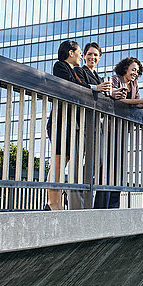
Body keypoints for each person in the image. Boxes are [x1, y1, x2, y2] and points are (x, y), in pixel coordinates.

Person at [44, 40, 99, 210]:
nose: (81, 55)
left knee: (63, 161)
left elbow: (80, 86)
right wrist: (95, 87)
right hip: (59, 122)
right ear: (70, 52)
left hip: (67, 122)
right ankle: (53, 203)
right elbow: (75, 86)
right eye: (80, 52)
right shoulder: (60, 66)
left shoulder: (71, 70)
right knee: (59, 162)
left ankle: (54, 202)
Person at [96, 57, 143, 209]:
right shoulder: (115, 80)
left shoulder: (134, 84)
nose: (135, 73)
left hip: (123, 130)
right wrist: (140, 101)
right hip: (110, 128)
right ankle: (101, 206)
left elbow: (135, 106)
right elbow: (119, 101)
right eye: (133, 69)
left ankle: (113, 206)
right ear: (125, 68)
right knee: (108, 168)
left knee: (119, 169)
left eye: (137, 71)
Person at [73, 42, 115, 209]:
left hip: (97, 124)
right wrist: (96, 88)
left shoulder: (98, 77)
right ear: (84, 55)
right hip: (82, 122)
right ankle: (76, 200)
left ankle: (83, 190)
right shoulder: (79, 71)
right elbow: (78, 88)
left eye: (96, 55)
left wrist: (112, 94)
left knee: (99, 159)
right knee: (78, 161)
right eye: (89, 54)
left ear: (100, 58)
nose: (92, 57)